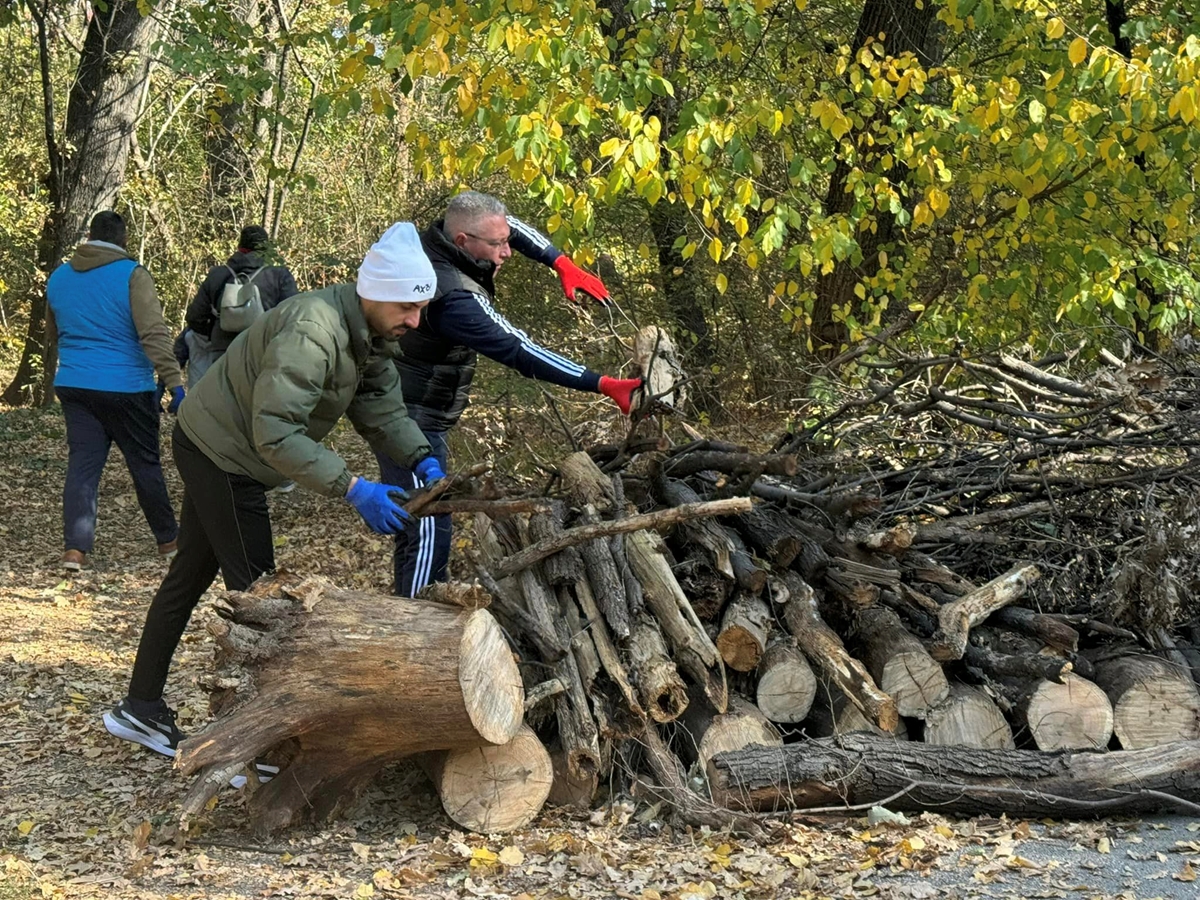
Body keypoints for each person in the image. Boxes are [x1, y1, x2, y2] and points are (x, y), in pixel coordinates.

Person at [102, 222, 446, 757]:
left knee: (189, 576)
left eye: (420, 309)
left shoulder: (371, 335)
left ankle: (140, 708)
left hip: (220, 444)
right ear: (375, 292)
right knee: (264, 607)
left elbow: (381, 407)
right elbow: (277, 432)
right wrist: (354, 488)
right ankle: (257, 747)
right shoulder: (313, 330)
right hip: (222, 454)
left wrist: (420, 456)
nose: (414, 320)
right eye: (407, 307)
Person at [379, 191, 643, 596]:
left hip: (421, 405)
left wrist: (559, 260)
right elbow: (520, 348)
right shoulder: (453, 296)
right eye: (498, 246)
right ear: (465, 242)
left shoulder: (452, 233)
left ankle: (411, 609)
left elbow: (510, 226)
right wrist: (602, 383)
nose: (508, 251)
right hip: (406, 415)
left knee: (422, 517)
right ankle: (414, 623)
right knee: (428, 520)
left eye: (505, 242)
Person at [45, 210, 185, 572]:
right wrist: (174, 383)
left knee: (83, 466)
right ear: (123, 240)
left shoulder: (60, 277)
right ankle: (169, 543)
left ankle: (74, 552)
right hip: (126, 386)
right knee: (144, 465)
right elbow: (152, 333)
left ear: (90, 237)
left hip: (75, 383)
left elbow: (53, 333)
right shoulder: (132, 275)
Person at [184, 224, 298, 382]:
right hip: (263, 353)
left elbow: (195, 317)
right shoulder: (279, 276)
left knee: (223, 402)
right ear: (266, 249)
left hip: (223, 353)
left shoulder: (217, 275)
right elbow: (292, 317)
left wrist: (215, 331)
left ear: (239, 247)